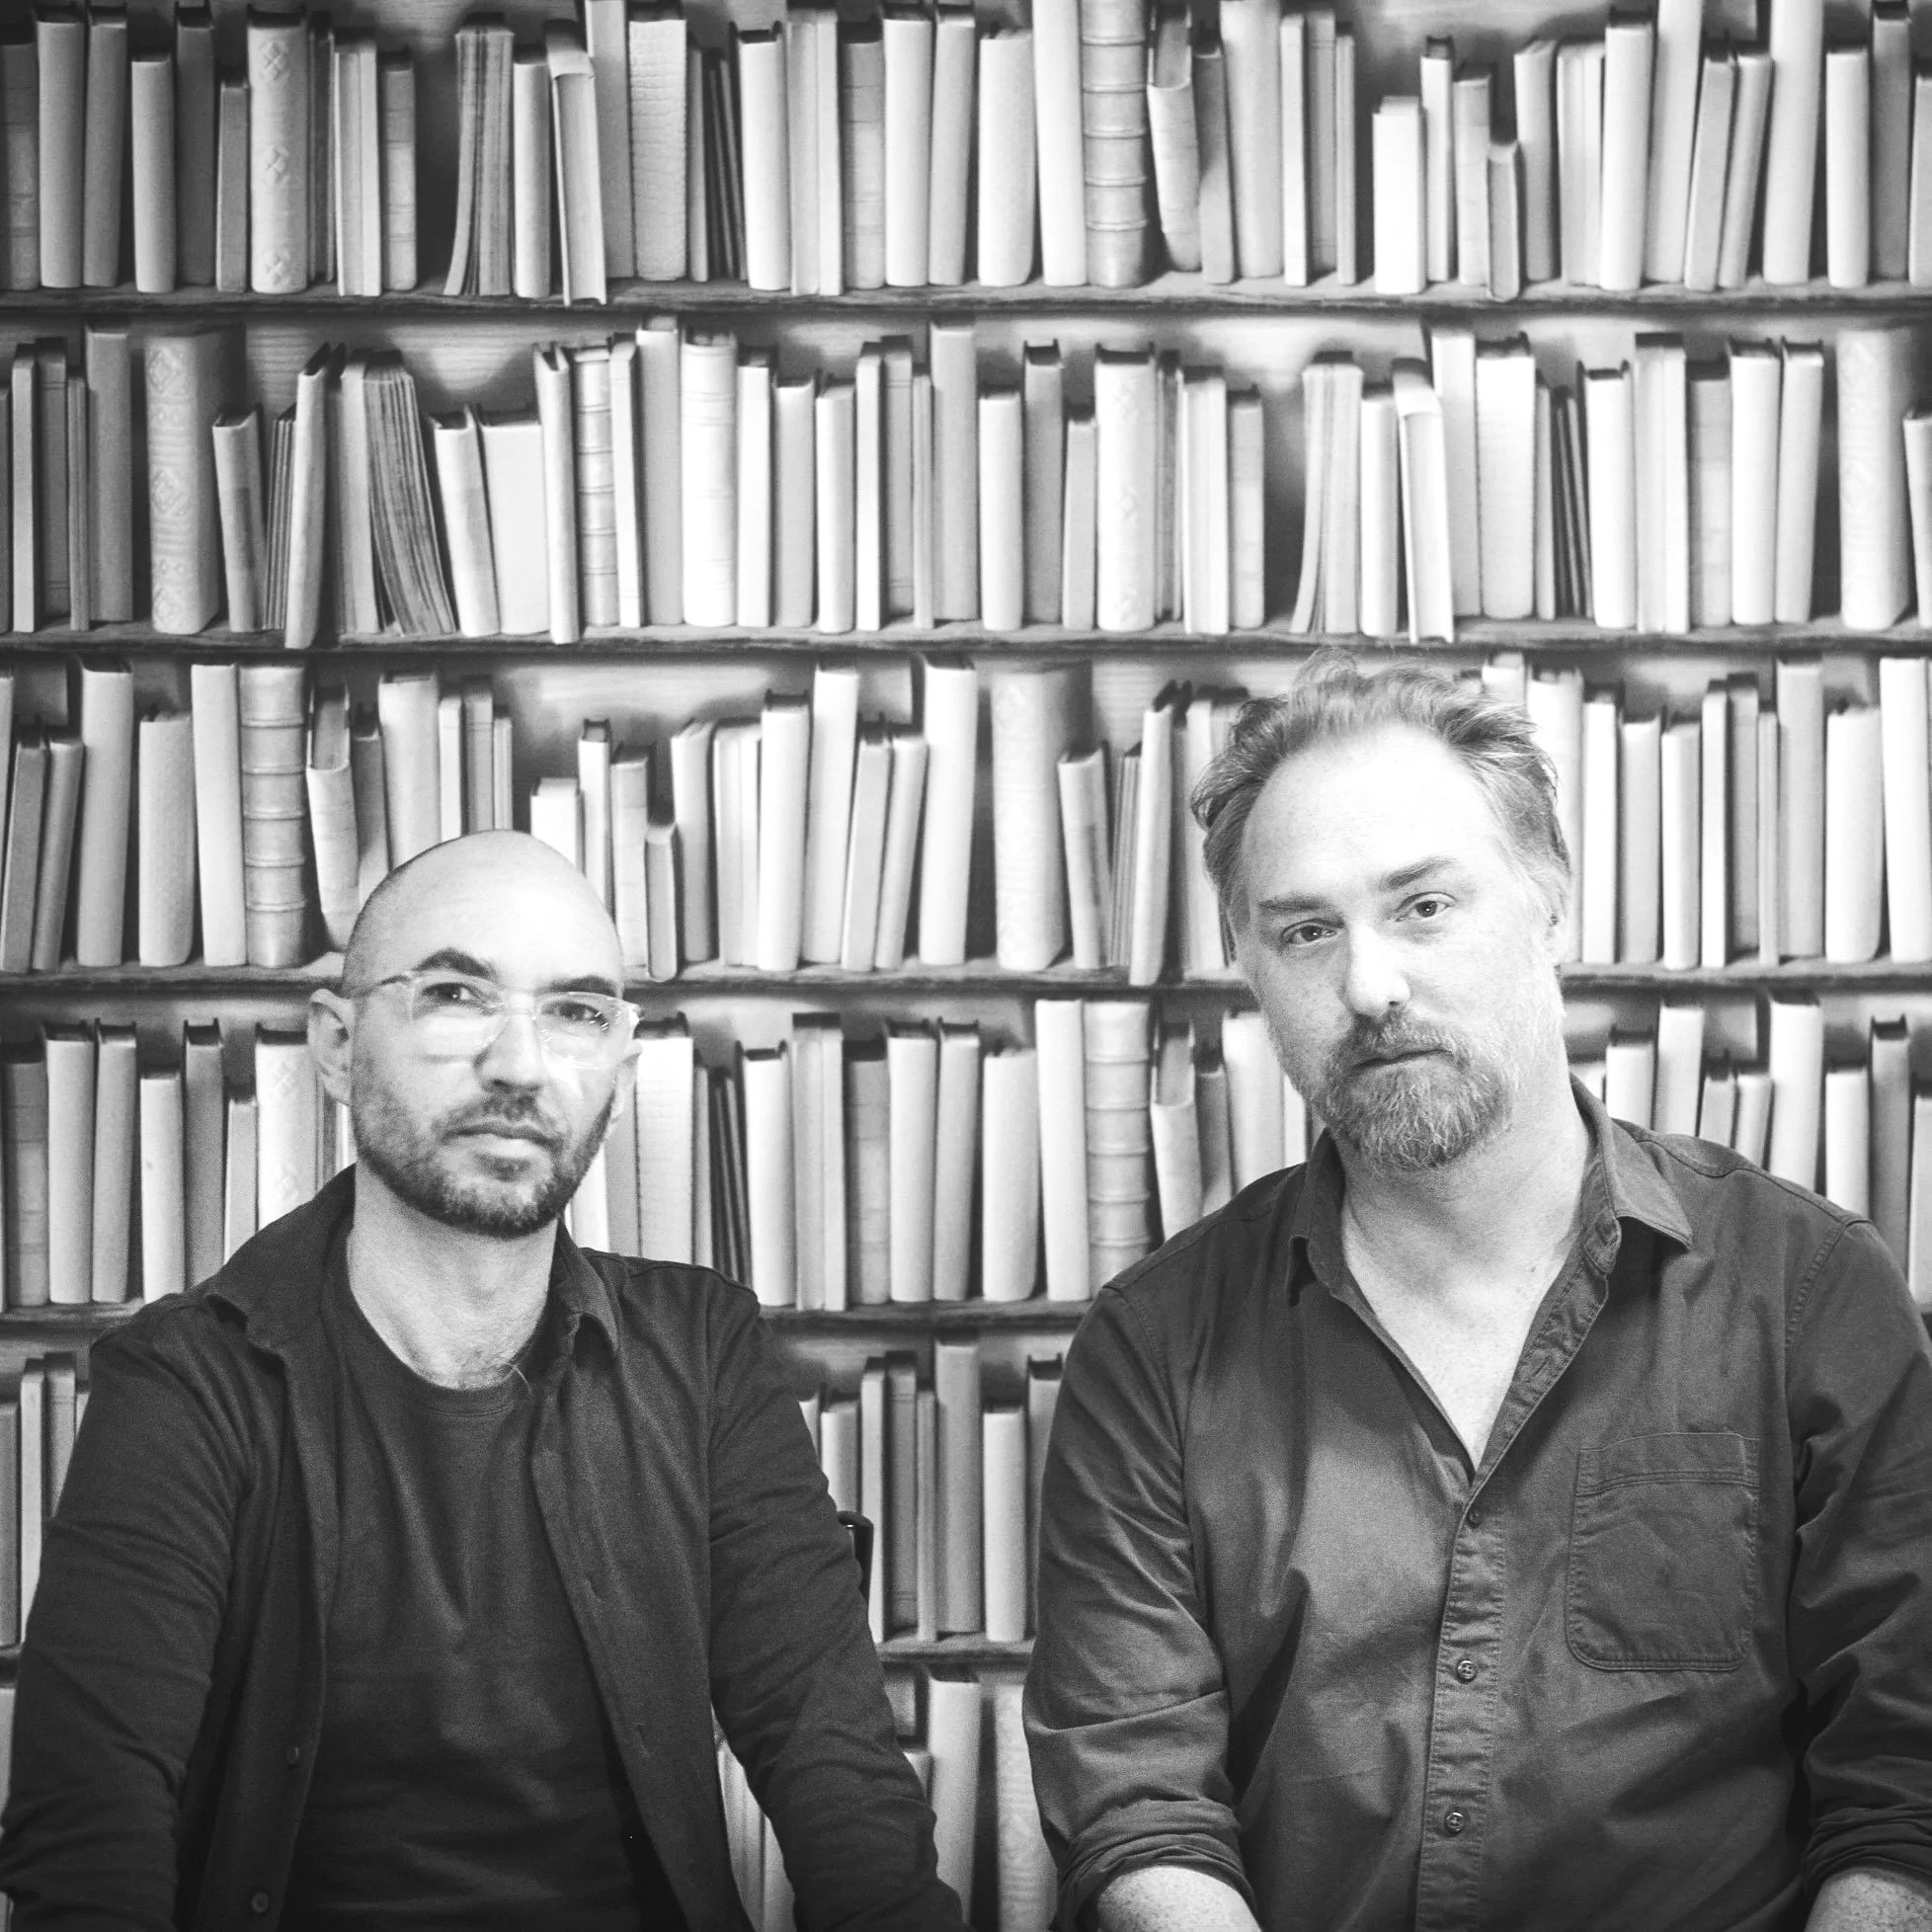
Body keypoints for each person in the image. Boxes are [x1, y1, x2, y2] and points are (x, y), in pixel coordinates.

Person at [1024, 659, 1932, 1932]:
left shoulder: (1812, 1292)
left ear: (1549, 897)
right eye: (1305, 930)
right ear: (1251, 968)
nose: (1370, 986)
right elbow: (1140, 1807)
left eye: (1425, 906)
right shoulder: (1151, 1348)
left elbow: (1903, 1785)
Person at [0, 830, 965, 1931]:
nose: (521, 1065)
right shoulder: (186, 1385)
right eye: (458, 992)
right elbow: (88, 1845)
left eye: (576, 1011)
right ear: (335, 1042)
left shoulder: (705, 1352)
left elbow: (839, 1775)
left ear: (619, 1058)